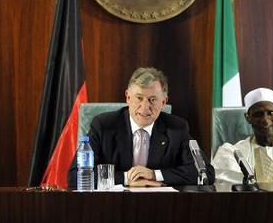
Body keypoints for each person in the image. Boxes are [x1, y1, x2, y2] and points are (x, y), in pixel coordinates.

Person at [68, 67, 214, 188]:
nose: (145, 107)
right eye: (139, 98)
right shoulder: (104, 126)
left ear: (164, 102)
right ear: (128, 97)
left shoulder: (177, 128)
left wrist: (154, 174)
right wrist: (127, 178)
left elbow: (206, 173)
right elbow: (75, 176)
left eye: (152, 100)